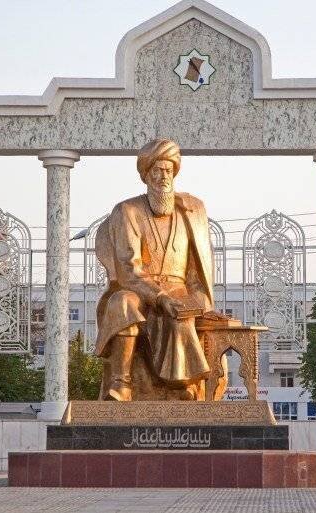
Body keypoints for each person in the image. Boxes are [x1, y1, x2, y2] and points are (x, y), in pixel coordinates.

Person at [94, 138, 215, 401]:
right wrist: (159, 297)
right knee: (122, 303)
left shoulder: (190, 212)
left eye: (168, 170)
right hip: (138, 287)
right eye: (157, 170)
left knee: (181, 313)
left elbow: (197, 273)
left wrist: (198, 301)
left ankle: (182, 385)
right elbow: (128, 268)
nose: (163, 177)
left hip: (180, 289)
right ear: (146, 175)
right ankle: (121, 383)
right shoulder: (128, 211)